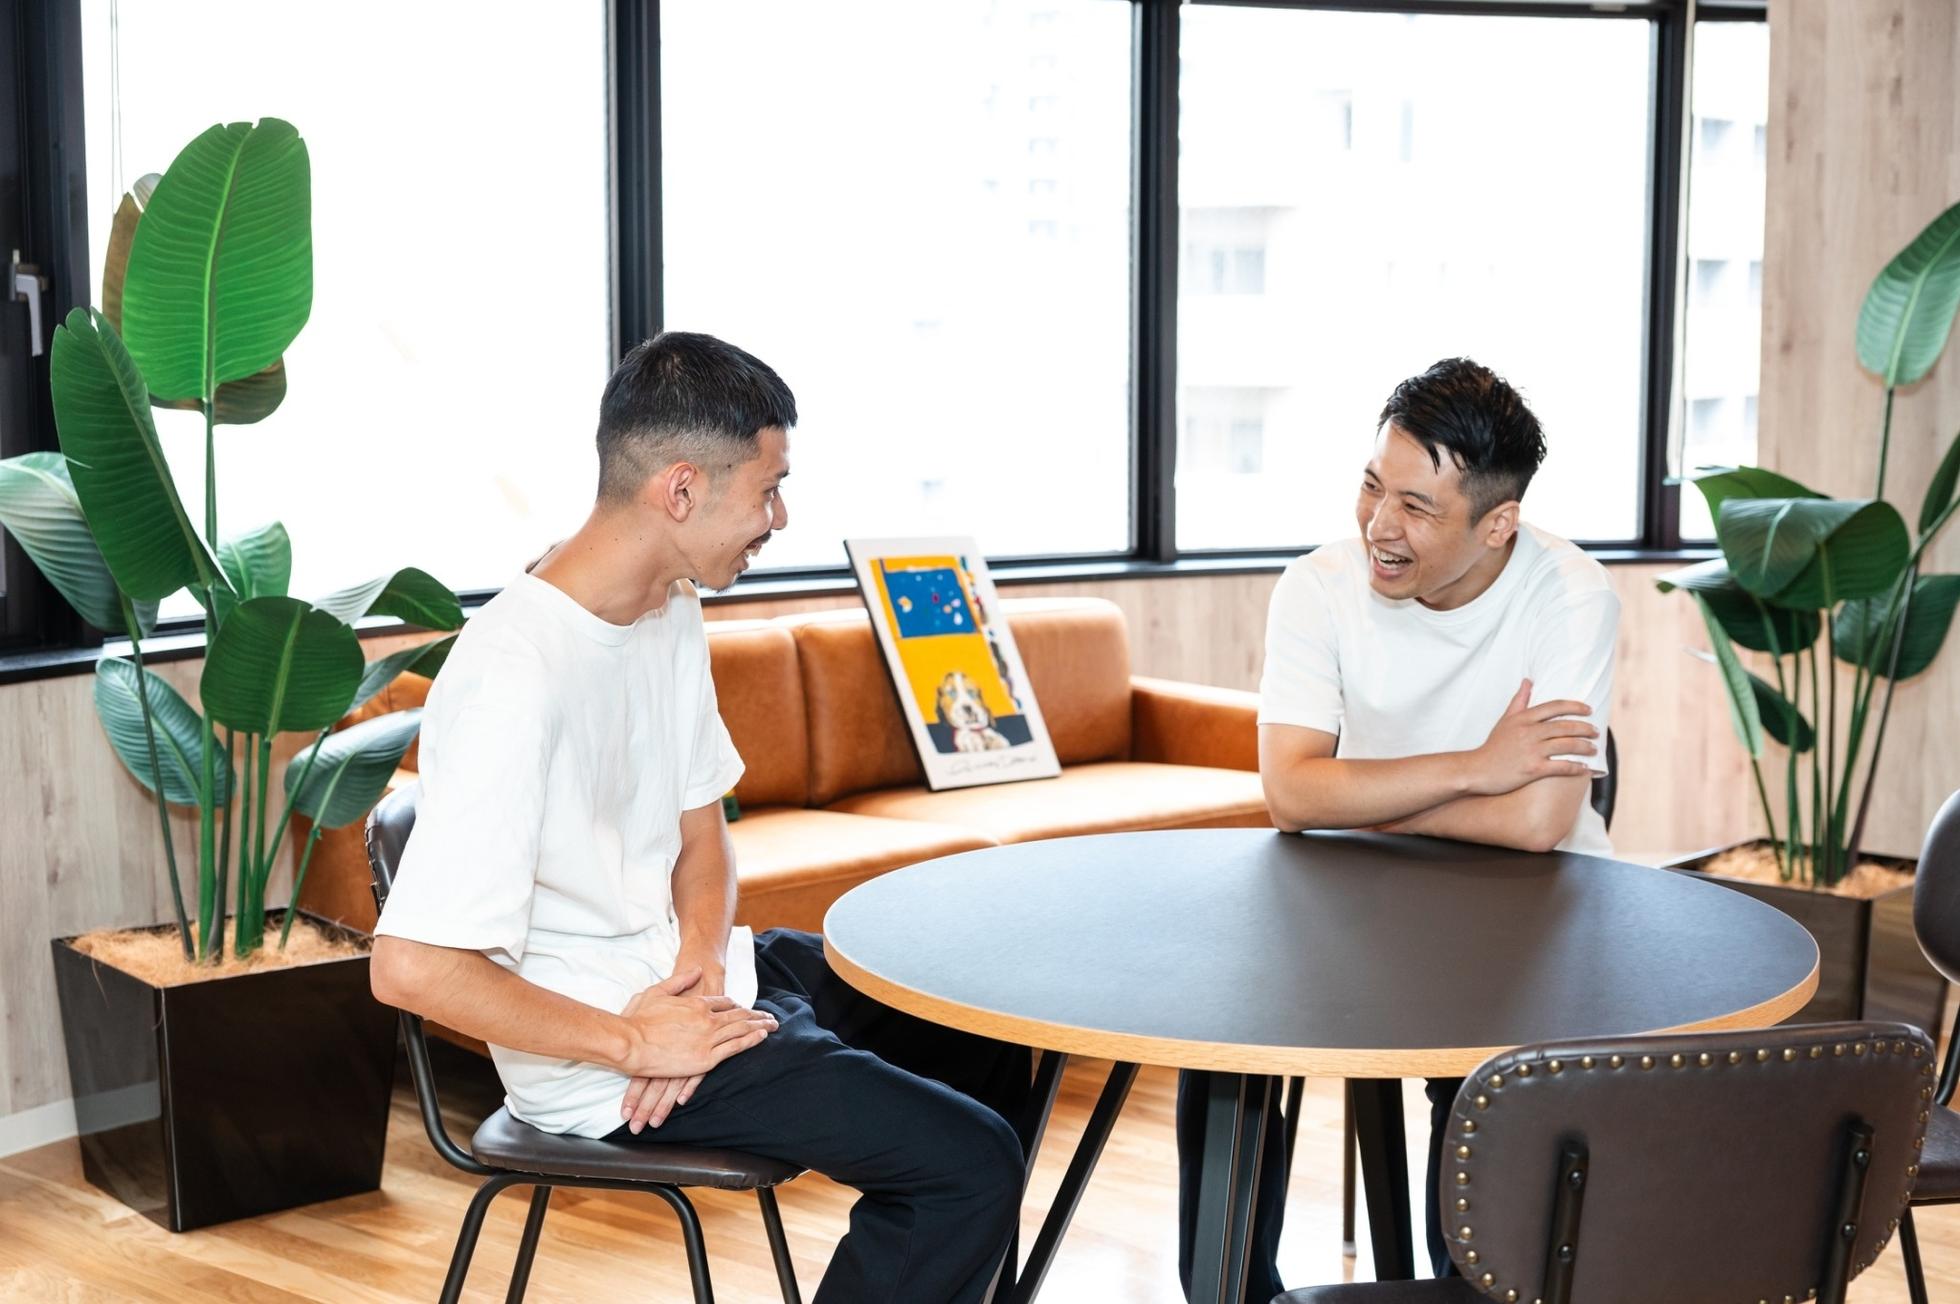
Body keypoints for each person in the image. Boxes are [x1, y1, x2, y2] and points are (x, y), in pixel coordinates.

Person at [369, 331, 1032, 1304]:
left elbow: (699, 832)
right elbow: (412, 967)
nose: (779, 517)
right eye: (768, 489)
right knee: (966, 1163)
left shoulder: (667, 608)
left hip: (699, 983)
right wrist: (636, 1043)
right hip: (598, 1058)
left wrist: (700, 968)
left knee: (981, 1033)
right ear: (680, 490)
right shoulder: (515, 672)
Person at [1176, 357, 1618, 1299]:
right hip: (1358, 904)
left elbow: (1539, 822)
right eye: (1373, 486)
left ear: (1498, 524)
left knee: (1484, 1080)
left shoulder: (1571, 596)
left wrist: (1363, 794)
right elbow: (1292, 796)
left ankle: (1464, 1289)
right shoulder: (1318, 586)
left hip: (1527, 916)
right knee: (1224, 1047)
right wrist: (1475, 766)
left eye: (1417, 507)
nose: (1380, 525)